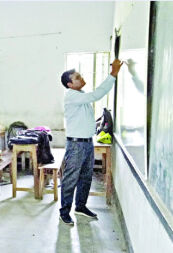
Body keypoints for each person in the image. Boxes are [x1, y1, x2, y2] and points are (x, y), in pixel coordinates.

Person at [59, 59, 123, 226]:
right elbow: (97, 94)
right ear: (70, 84)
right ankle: (64, 212)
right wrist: (113, 74)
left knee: (86, 177)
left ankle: (80, 207)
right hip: (76, 145)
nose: (81, 78)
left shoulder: (80, 95)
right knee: (71, 179)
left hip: (87, 143)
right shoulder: (71, 95)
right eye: (77, 77)